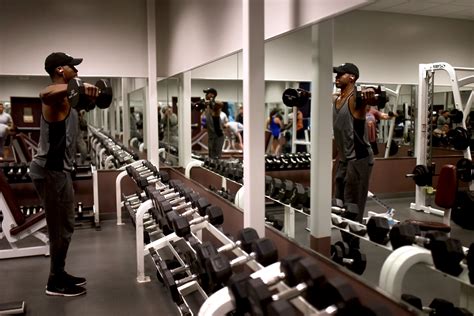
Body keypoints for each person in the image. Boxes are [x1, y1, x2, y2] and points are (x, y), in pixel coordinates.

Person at [29, 52, 98, 297]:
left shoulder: (67, 99)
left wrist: (91, 96)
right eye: (72, 67)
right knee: (60, 228)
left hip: (59, 171)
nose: (76, 71)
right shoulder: (54, 96)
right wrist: (78, 87)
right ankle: (55, 282)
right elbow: (44, 94)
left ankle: (59, 273)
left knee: (66, 225)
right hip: (50, 170)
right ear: (60, 70)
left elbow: (86, 103)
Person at [333, 63, 376, 223]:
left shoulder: (356, 100)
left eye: (340, 74)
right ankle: (345, 242)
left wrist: (369, 90)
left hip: (359, 159)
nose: (336, 77)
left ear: (352, 77)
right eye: (336, 74)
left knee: (352, 205)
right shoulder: (337, 98)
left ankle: (353, 246)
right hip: (344, 159)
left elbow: (367, 96)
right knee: (338, 202)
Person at [202, 88, 225, 159]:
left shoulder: (215, 106)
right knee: (211, 157)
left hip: (218, 135)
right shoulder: (207, 107)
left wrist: (211, 102)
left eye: (208, 93)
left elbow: (221, 104)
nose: (206, 95)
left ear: (213, 95)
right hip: (211, 135)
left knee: (216, 158)